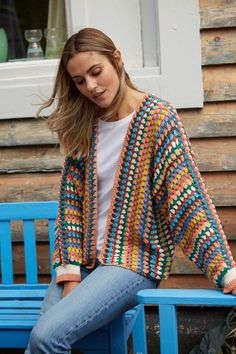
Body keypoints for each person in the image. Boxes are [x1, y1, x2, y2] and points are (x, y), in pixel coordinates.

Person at [25, 27, 236, 353]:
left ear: (117, 60)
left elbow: (187, 201)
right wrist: (70, 275)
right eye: (80, 81)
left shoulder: (157, 119)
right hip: (82, 262)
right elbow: (70, 206)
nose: (91, 87)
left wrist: (225, 272)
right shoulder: (85, 124)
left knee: (45, 338)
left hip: (132, 263)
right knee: (55, 340)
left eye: (96, 72)